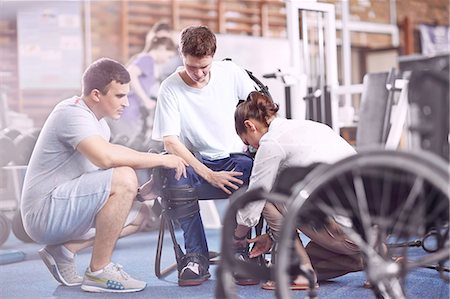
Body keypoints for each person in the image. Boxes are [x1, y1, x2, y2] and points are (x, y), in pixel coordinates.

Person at [20, 58, 188, 293]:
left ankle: (65, 249)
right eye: (120, 96)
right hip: (44, 211)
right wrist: (162, 158)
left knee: (141, 214)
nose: (127, 103)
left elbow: (103, 184)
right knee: (125, 175)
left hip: (65, 205)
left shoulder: (101, 126)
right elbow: (106, 159)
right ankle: (99, 271)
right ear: (97, 94)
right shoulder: (71, 113)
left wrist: (139, 194)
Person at [152, 25, 256, 287]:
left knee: (253, 170)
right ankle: (195, 257)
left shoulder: (231, 72)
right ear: (182, 56)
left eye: (204, 67)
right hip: (195, 163)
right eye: (190, 66)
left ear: (214, 57)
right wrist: (209, 173)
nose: (198, 74)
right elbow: (170, 141)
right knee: (175, 173)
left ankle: (239, 251)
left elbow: (258, 109)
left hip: (234, 160)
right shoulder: (170, 88)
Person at [232, 91, 363, 290]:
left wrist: (238, 237)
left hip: (346, 231)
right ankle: (377, 260)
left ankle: (303, 272)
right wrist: (271, 237)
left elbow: (253, 207)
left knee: (265, 197)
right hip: (374, 225)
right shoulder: (314, 126)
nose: (251, 148)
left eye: (247, 141)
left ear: (250, 125)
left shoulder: (271, 142)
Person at [109, 35, 177, 151]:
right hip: (127, 110)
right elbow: (130, 74)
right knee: (125, 145)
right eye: (169, 56)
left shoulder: (151, 63)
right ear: (161, 48)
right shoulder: (147, 59)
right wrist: (145, 100)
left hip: (133, 110)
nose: (168, 60)